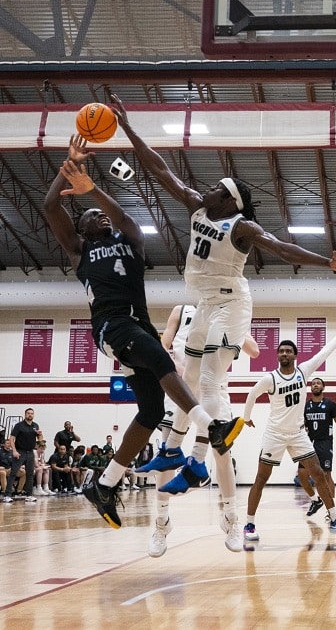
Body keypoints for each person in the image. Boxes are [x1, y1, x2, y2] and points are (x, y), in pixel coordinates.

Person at [111, 93, 336, 547]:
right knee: (189, 381)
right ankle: (178, 469)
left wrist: (330, 263)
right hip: (205, 303)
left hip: (232, 303)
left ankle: (200, 464)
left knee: (206, 378)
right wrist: (127, 127)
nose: (206, 189)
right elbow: (158, 169)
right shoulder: (198, 209)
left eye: (217, 188)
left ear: (232, 201)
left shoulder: (241, 227)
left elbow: (284, 249)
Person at [43, 136, 242, 530]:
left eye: (101, 213)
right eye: (89, 215)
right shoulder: (79, 250)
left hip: (137, 324)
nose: (97, 216)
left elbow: (125, 220)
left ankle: (104, 483)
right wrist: (69, 163)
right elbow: (51, 207)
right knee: (160, 357)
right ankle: (211, 428)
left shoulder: (130, 240)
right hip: (111, 326)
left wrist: (94, 189)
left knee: (151, 411)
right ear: (80, 228)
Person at [139, 304, 260, 555]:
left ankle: (230, 518)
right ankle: (161, 524)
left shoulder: (229, 313)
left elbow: (255, 351)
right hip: (180, 386)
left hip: (216, 390)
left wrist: (239, 323)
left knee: (222, 454)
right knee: (167, 455)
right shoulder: (181, 310)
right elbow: (162, 345)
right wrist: (174, 368)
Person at [243, 323, 336, 540]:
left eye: (289, 351)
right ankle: (249, 525)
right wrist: (247, 418)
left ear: (295, 355)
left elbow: (325, 352)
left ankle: (335, 518)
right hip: (275, 434)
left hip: (298, 434)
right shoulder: (270, 378)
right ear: (277, 355)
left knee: (319, 473)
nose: (285, 353)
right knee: (261, 478)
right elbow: (251, 394)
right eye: (281, 350)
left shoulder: (303, 371)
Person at [298, 377, 336, 516]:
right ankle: (315, 500)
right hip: (308, 443)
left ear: (323, 387)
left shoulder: (330, 404)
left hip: (324, 443)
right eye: (313, 384)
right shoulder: (306, 406)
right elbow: (301, 423)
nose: (315, 385)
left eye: (318, 383)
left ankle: (332, 511)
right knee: (302, 475)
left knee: (326, 475)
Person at [3, 407, 43, 503]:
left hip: (30, 452)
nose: (30, 415)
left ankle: (29, 495)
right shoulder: (19, 426)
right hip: (20, 452)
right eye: (28, 413)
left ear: (33, 415)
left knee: (30, 474)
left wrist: (40, 434)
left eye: (32, 413)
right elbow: (12, 439)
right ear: (25, 414)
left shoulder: (35, 425)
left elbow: (40, 440)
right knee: (13, 473)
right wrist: (14, 451)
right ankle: (7, 495)